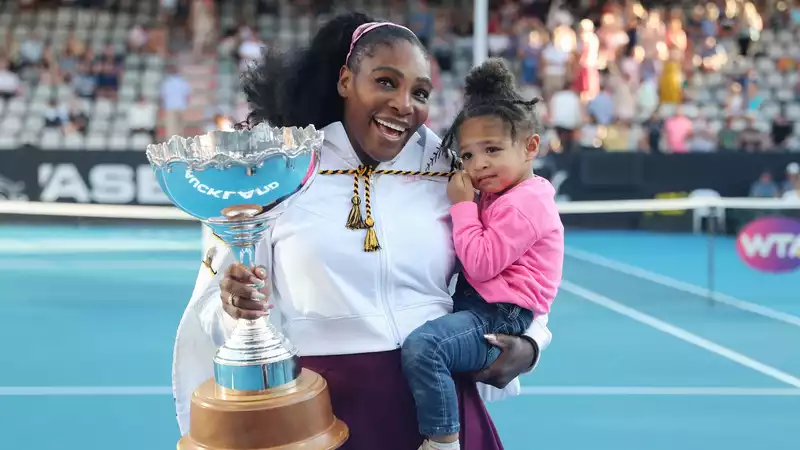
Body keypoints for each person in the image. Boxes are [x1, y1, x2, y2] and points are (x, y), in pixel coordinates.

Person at [172, 12, 553, 450]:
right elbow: (219, 298)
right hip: (320, 413)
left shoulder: (451, 171)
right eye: (386, 82)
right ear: (345, 81)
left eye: (421, 92)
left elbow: (522, 258)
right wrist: (234, 302)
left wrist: (531, 342)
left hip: (439, 412)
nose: (404, 104)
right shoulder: (280, 169)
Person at [401, 59, 564, 450]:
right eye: (468, 155)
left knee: (426, 347)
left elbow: (479, 262)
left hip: (499, 314)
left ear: (530, 147)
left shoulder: (523, 203)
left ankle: (443, 442)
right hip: (486, 306)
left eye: (492, 149)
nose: (479, 165)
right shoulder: (506, 193)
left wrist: (462, 206)